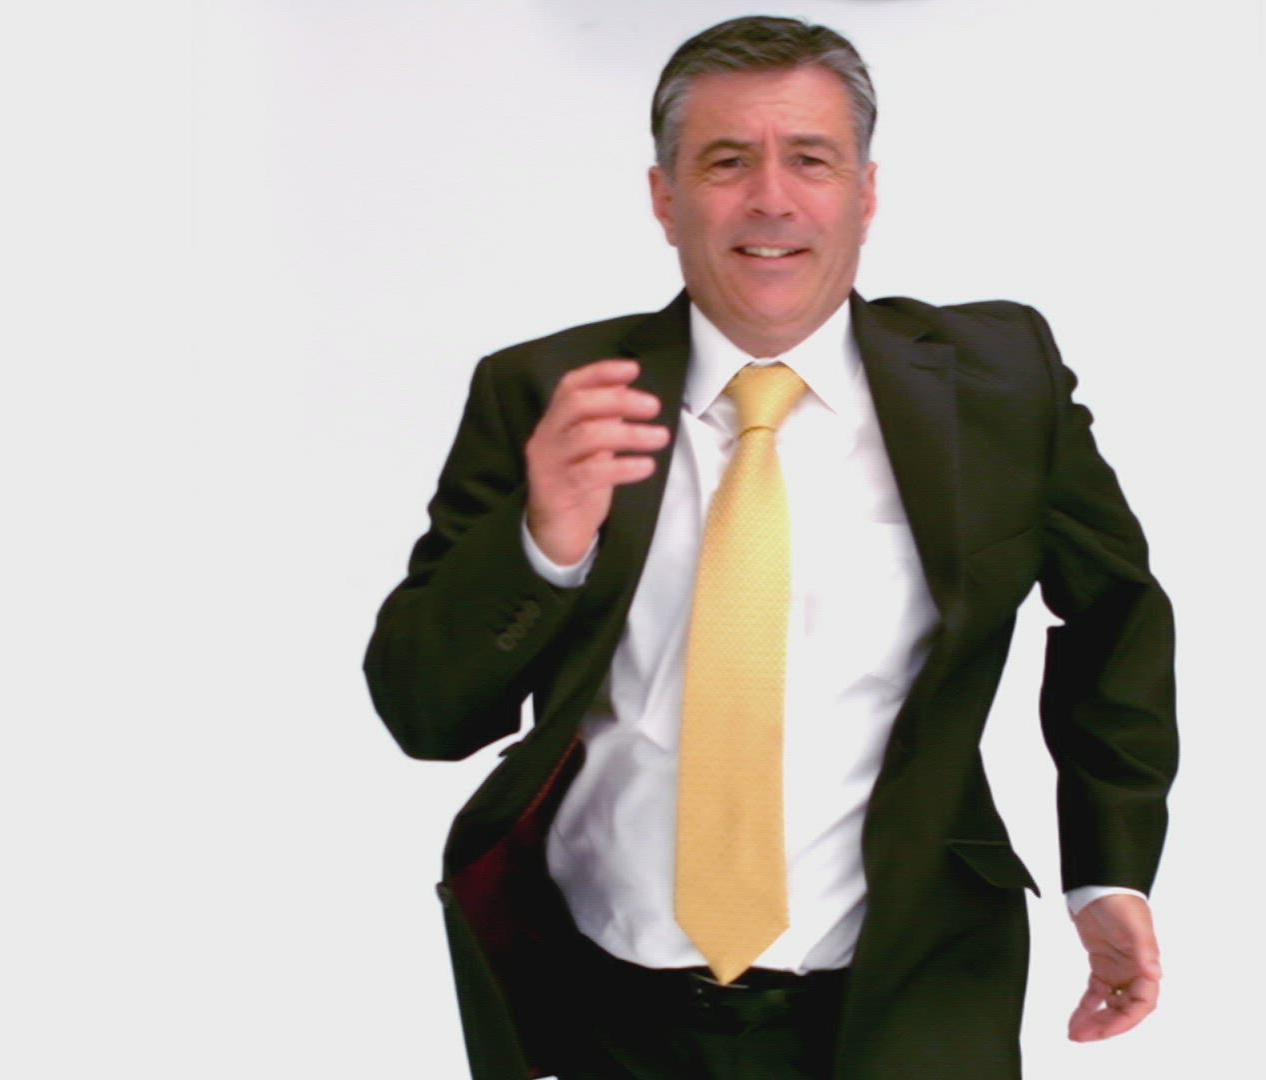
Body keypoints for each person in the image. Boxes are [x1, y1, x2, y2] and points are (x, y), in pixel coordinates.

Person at [362, 16, 1177, 1080]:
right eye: (726, 162)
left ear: (866, 193)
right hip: (609, 1010)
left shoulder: (998, 381)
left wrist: (1107, 868)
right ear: (664, 197)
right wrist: (541, 542)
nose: (772, 199)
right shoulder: (548, 395)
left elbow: (1115, 611)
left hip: (914, 997)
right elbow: (427, 717)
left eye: (811, 160)